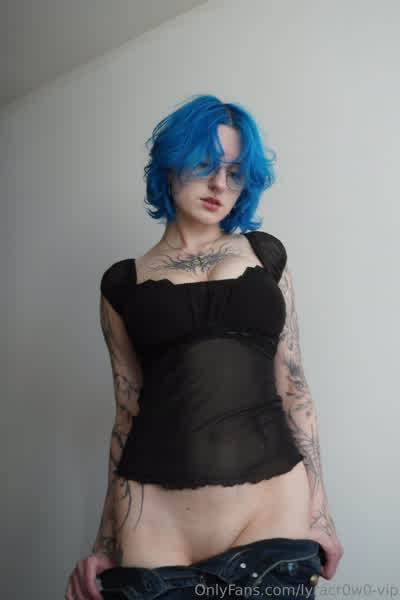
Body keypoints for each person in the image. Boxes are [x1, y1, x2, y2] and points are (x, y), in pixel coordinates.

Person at [65, 94, 343, 600]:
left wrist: (320, 514)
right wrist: (104, 544)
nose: (220, 184)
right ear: (171, 164)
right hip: (154, 529)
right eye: (205, 164)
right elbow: (126, 413)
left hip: (270, 517)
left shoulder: (266, 256)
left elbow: (295, 389)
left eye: (235, 173)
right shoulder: (122, 284)